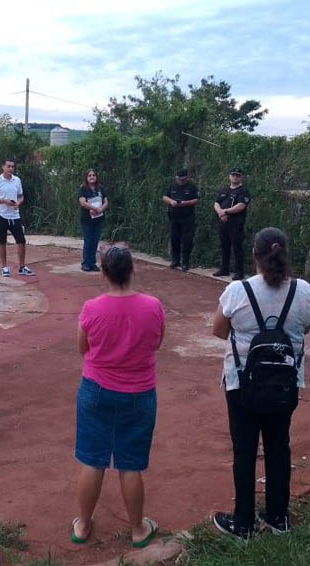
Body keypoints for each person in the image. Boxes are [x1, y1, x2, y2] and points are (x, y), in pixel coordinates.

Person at [211, 228, 310, 539]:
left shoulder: (237, 290)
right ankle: (277, 517)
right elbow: (306, 328)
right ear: (284, 253)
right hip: (285, 383)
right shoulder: (304, 291)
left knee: (244, 449)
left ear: (254, 254)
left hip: (242, 382)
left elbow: (219, 331)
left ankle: (243, 522)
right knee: (278, 446)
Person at [72, 246, 165, 548]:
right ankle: (138, 529)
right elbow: (156, 343)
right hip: (139, 393)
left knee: (92, 459)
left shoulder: (91, 308)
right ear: (132, 269)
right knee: (130, 464)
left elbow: (82, 348)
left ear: (104, 273)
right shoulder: (153, 306)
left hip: (96, 390)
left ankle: (83, 525)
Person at [0, 158, 34, 277]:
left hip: (15, 215)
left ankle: (22, 267)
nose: (11, 169)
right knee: (2, 241)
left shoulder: (17, 180)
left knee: (21, 241)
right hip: (1, 215)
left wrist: (18, 203)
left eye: (12, 167)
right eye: (8, 166)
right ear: (3, 167)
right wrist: (3, 201)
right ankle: (4, 267)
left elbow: (21, 196)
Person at [213, 168, 252, 281]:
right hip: (223, 222)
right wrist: (220, 212)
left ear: (241, 177)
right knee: (224, 246)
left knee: (237, 247)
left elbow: (241, 206)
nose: (235, 177)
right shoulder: (224, 190)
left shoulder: (243, 191)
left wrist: (225, 211)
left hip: (236, 223)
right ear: (229, 176)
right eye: (233, 175)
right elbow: (216, 203)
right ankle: (224, 269)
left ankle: (239, 272)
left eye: (238, 175)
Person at [162, 168, 200, 271]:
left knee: (187, 240)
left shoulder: (192, 187)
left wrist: (185, 203)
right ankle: (175, 260)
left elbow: (196, 200)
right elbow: (164, 197)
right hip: (174, 217)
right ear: (176, 178)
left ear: (187, 178)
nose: (181, 181)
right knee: (174, 239)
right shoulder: (172, 186)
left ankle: (185, 262)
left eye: (183, 179)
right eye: (179, 179)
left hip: (187, 217)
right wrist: (171, 201)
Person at [78, 169, 109, 272]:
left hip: (99, 220)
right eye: (89, 175)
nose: (92, 177)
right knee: (88, 241)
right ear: (86, 177)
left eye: (93, 175)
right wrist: (94, 208)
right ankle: (85, 263)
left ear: (96, 177)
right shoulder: (83, 188)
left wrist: (101, 209)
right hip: (87, 220)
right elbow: (82, 202)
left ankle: (92, 263)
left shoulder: (101, 188)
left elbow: (106, 202)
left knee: (95, 241)